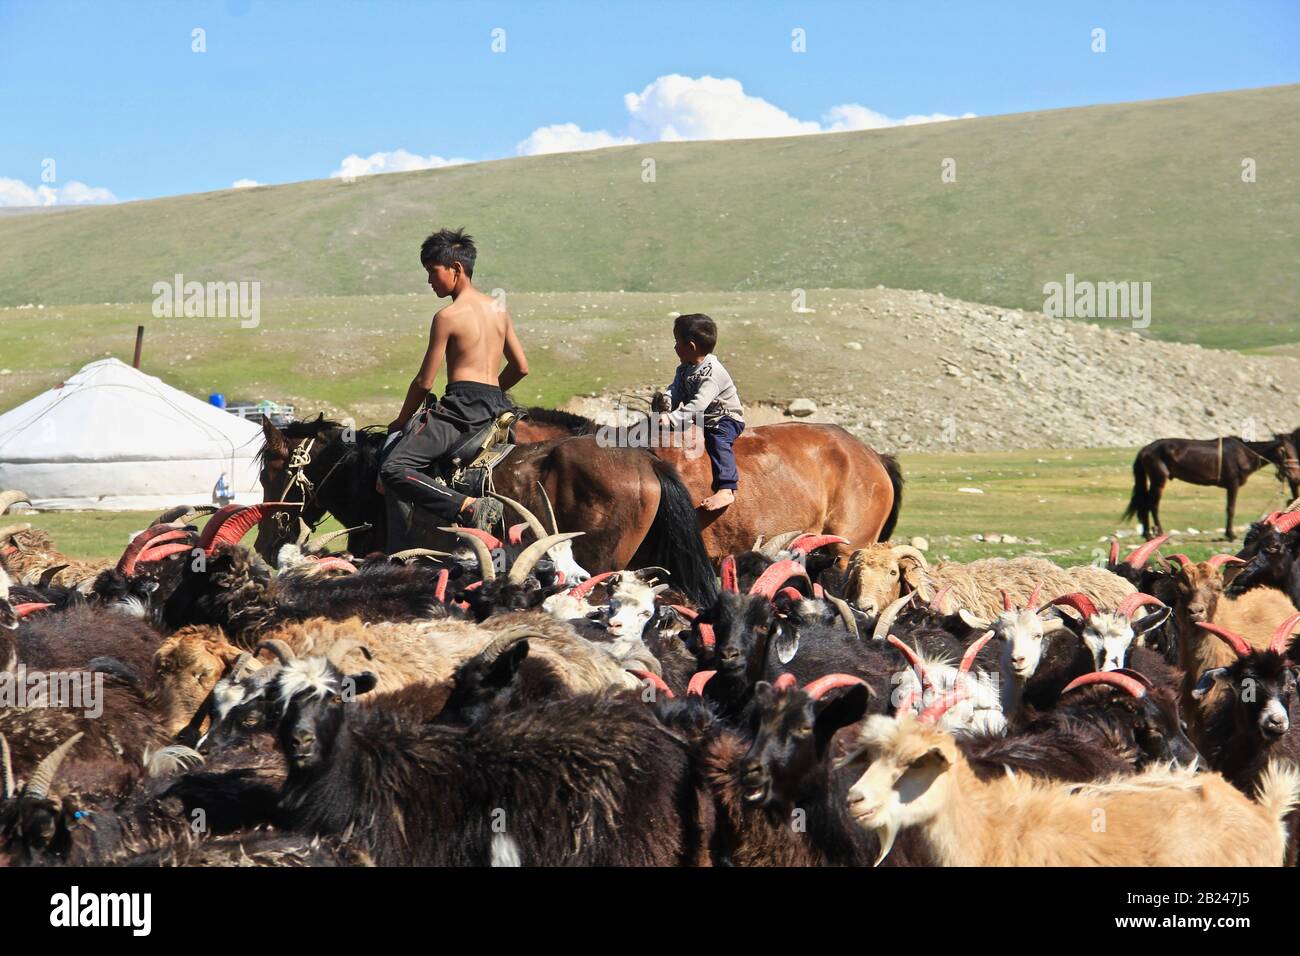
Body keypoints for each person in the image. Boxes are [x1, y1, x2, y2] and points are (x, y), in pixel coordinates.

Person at [378, 228, 528, 526]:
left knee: (393, 468)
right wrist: (493, 391)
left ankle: (468, 506)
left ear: (456, 268)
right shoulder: (499, 310)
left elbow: (424, 382)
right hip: (498, 408)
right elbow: (521, 367)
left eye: (433, 272)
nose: (429, 281)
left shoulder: (447, 316)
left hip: (460, 408)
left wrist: (399, 421)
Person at [655, 313, 745, 510]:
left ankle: (726, 489)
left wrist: (672, 418)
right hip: (700, 418)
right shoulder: (685, 368)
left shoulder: (712, 373)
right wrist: (666, 404)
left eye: (677, 341)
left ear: (691, 346)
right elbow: (675, 389)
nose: (674, 346)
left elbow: (698, 405)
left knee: (718, 442)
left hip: (723, 419)